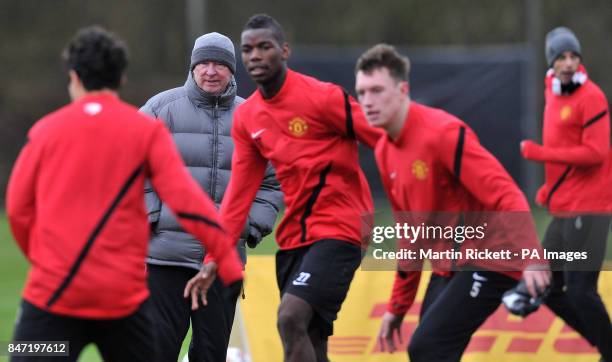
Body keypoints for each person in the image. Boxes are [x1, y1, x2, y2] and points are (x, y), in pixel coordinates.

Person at [5, 26, 243, 362]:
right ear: (121, 78)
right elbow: (187, 202)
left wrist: (46, 260)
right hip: (122, 298)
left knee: (26, 353)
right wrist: (229, 262)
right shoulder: (144, 130)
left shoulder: (45, 131)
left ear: (73, 76)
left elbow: (17, 209)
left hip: (52, 293)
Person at [186, 13, 382, 362]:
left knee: (290, 317)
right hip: (295, 237)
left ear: (285, 51)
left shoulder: (322, 98)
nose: (256, 56)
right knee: (311, 336)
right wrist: (215, 257)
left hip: (343, 226)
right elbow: (239, 195)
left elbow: (385, 138)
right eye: (248, 50)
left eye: (265, 47)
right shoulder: (250, 118)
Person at [354, 44, 550, 361]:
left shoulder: (441, 132)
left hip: (492, 255)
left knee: (428, 348)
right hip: (450, 264)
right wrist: (397, 307)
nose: (367, 101)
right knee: (425, 352)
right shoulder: (383, 151)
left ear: (403, 90)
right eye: (361, 92)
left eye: (377, 90)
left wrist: (531, 256)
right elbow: (411, 237)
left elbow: (505, 192)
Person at [140, 32, 282, 362]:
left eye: (219, 63)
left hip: (222, 263)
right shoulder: (159, 110)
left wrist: (245, 226)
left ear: (233, 70)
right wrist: (150, 215)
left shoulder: (255, 118)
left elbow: (273, 184)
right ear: (192, 68)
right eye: (203, 63)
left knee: (211, 354)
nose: (210, 71)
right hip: (165, 259)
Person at [521, 26, 612, 360]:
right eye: (562, 57)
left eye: (574, 56)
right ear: (552, 62)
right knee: (545, 286)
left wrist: (539, 154)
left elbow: (595, 154)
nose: (569, 63)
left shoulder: (592, 97)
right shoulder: (552, 91)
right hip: (565, 207)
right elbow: (566, 149)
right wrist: (550, 187)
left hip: (590, 210)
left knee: (580, 291)